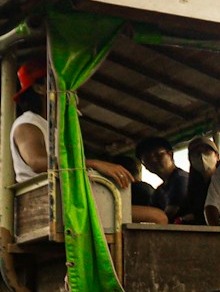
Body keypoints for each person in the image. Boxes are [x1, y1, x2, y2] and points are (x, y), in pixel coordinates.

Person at [11, 60, 159, 221]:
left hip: (65, 199)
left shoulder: (54, 127)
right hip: (46, 203)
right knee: (157, 217)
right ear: (39, 88)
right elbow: (37, 162)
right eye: (59, 82)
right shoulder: (28, 123)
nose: (69, 88)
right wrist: (95, 163)